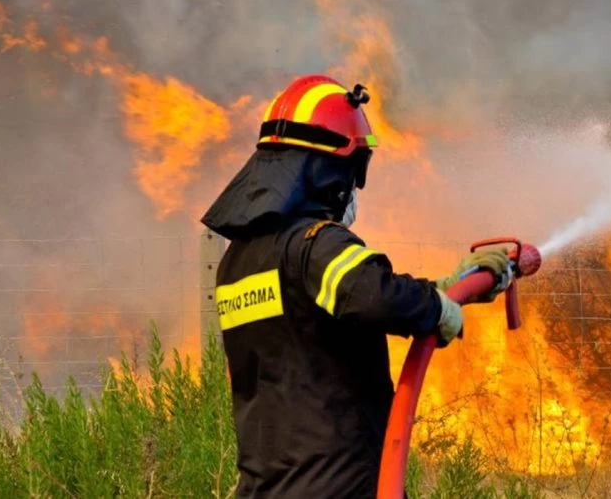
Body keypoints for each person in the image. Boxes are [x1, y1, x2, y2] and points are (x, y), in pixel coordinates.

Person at [201, 74, 511, 498]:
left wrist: (446, 288)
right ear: (328, 170)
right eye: (354, 169)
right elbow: (375, 295)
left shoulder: (238, 261)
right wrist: (439, 309)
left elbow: (329, 308)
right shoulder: (315, 244)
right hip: (335, 484)